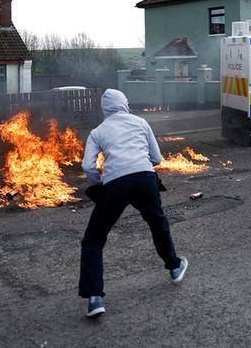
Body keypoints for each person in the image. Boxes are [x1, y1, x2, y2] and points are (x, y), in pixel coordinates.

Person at [79, 89, 188, 318]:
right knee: (157, 222)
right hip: (144, 179)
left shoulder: (97, 132)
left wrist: (98, 183)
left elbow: (88, 166)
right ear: (125, 104)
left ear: (105, 109)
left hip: (115, 185)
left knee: (94, 240)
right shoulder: (140, 122)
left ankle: (95, 298)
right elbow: (157, 158)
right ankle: (175, 267)